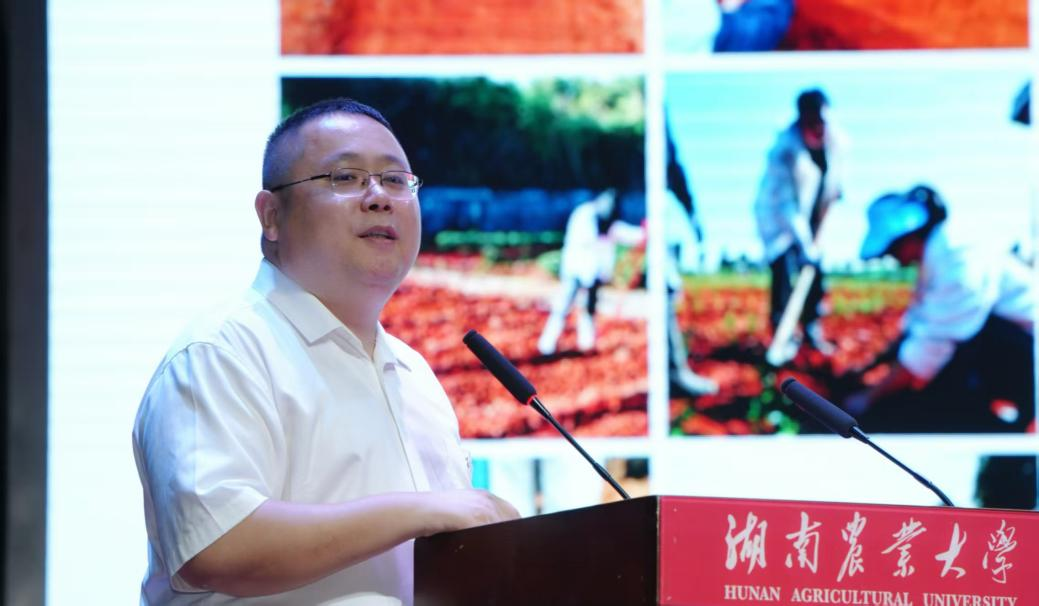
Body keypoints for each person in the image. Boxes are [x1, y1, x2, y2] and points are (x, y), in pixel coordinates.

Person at [132, 98, 519, 604]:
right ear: (271, 216)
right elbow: (217, 545)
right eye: (346, 177)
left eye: (396, 180)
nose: (379, 197)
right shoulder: (221, 351)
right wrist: (423, 510)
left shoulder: (414, 374)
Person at [845, 185, 1035, 432]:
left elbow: (931, 347)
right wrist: (875, 364)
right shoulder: (935, 260)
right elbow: (919, 323)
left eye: (895, 249)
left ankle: (1003, 423)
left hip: (1024, 348)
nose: (896, 259)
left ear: (910, 237)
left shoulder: (958, 263)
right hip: (1007, 342)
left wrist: (867, 399)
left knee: (949, 375)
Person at [754, 88, 845, 359]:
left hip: (814, 213)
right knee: (784, 267)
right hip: (777, 216)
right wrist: (805, 244)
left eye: (822, 122)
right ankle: (782, 334)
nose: (819, 129)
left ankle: (811, 329)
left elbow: (835, 180)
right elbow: (787, 206)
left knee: (817, 268)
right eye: (812, 122)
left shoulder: (836, 141)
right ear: (801, 120)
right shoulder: (784, 150)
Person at [537, 188, 643, 355]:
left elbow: (620, 232)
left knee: (589, 308)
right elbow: (588, 245)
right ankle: (546, 345)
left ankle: (586, 344)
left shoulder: (606, 221)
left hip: (592, 274)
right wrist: (595, 274)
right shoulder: (584, 216)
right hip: (575, 270)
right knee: (563, 306)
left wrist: (643, 233)